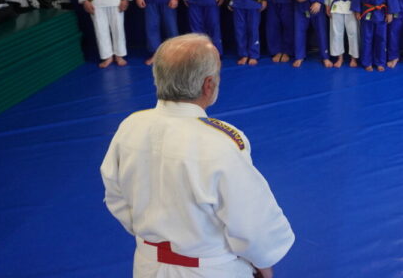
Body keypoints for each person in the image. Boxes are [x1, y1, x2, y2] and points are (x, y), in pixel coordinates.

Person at [100, 34, 295, 278]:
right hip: (210, 269)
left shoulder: (130, 127)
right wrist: (264, 265)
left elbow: (115, 196)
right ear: (208, 84)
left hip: (147, 265)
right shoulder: (220, 141)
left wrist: (152, 236)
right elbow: (251, 222)